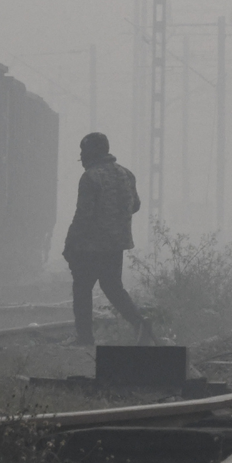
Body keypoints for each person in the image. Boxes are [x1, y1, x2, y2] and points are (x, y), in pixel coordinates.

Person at [62, 132, 153, 346]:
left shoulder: (90, 177)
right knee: (113, 288)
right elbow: (135, 205)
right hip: (116, 245)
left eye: (83, 152)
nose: (82, 158)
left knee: (82, 289)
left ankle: (84, 338)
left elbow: (83, 215)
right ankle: (140, 324)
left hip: (90, 247)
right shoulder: (126, 174)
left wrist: (70, 244)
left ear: (91, 152)